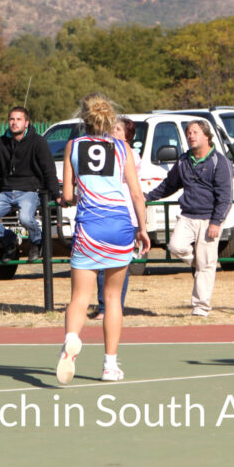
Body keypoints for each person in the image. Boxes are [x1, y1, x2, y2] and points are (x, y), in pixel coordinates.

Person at [56, 94, 149, 384]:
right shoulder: (122, 148)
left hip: (89, 227)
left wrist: (66, 199)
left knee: (80, 298)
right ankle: (110, 365)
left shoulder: (73, 145)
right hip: (119, 226)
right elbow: (135, 193)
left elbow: (69, 195)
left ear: (83, 118)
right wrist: (142, 228)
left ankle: (71, 340)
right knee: (112, 299)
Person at [145, 119, 233, 318]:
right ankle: (196, 262)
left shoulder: (219, 162)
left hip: (209, 218)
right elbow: (169, 185)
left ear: (206, 136)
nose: (191, 136)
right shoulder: (183, 160)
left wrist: (217, 221)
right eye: (188, 133)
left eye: (195, 132)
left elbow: (226, 196)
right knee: (176, 247)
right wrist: (147, 197)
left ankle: (201, 307)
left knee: (207, 264)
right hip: (188, 215)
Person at [0, 107, 61, 262]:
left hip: (30, 191)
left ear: (26, 123)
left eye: (19, 119)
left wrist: (56, 195)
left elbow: (49, 170)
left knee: (25, 218)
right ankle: (11, 241)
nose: (14, 123)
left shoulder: (38, 142)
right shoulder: (1, 143)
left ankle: (37, 241)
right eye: (12, 119)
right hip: (6, 192)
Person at [91, 116, 138, 320]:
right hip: (103, 212)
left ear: (127, 135)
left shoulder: (132, 156)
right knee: (101, 264)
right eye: (112, 129)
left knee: (119, 265)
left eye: (118, 130)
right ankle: (103, 307)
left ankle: (115, 306)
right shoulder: (103, 153)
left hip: (125, 215)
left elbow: (124, 182)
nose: (114, 133)